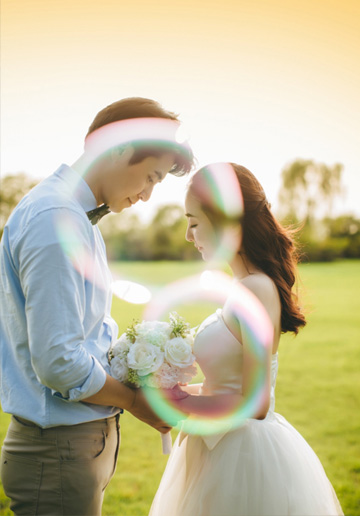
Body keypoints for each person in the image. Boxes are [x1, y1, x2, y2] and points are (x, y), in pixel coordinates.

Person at [0, 97, 194, 516]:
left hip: (71, 448)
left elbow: (81, 337)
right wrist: (139, 403)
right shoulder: (56, 218)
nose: (146, 195)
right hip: (57, 452)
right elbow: (58, 360)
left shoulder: (74, 217)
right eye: (150, 176)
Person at [149, 163, 344, 516]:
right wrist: (165, 392)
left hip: (241, 457)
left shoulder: (255, 288)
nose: (189, 236)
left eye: (194, 223)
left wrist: (179, 402)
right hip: (216, 447)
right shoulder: (242, 287)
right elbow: (224, 386)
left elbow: (255, 402)